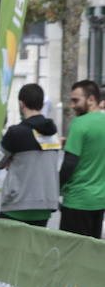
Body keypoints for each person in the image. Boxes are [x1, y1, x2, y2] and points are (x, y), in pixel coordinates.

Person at [0, 83, 60, 227]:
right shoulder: (53, 133)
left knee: (3, 245)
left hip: (17, 203)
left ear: (21, 104)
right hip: (45, 204)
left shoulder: (15, 132)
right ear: (41, 104)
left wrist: (10, 159)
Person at [59, 79, 105, 238]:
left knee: (69, 253)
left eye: (76, 100)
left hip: (76, 201)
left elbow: (69, 164)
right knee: (90, 254)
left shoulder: (79, 124)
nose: (72, 105)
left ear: (91, 99)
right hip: (99, 201)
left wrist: (56, 187)